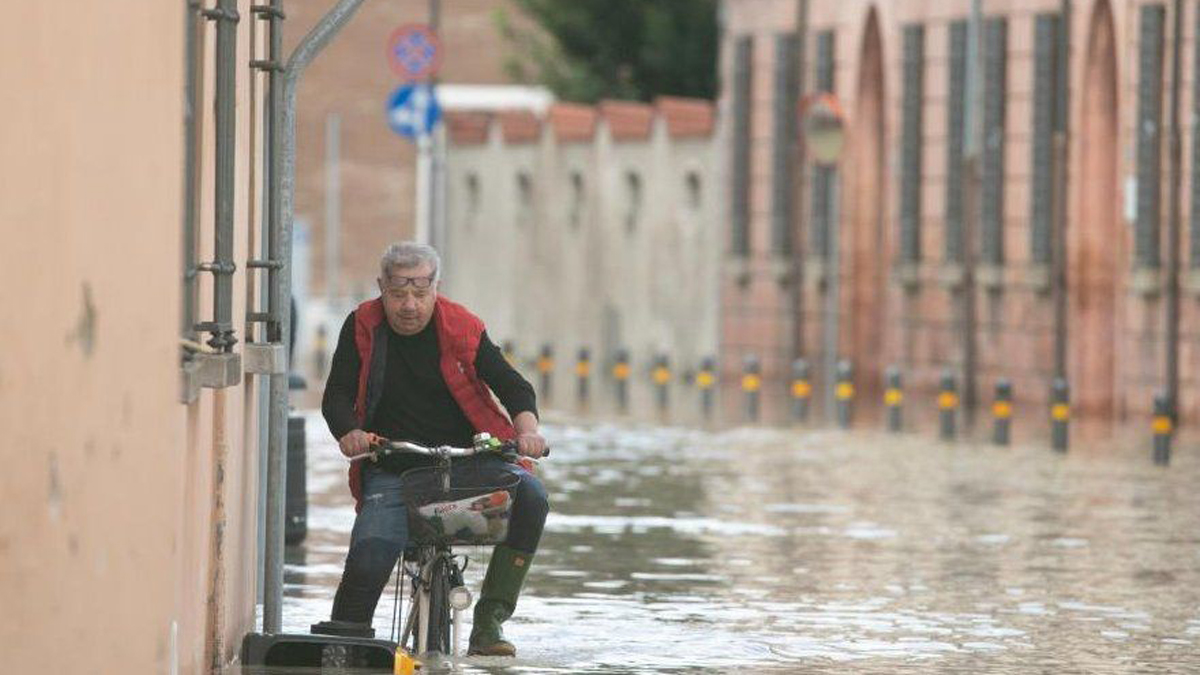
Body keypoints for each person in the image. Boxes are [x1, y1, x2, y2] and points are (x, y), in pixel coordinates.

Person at [320, 241, 549, 657]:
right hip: (393, 466)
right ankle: (345, 644)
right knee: (370, 552)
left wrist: (528, 429)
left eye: (421, 294)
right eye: (398, 294)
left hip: (468, 462)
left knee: (531, 496)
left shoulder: (462, 326)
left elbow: (514, 386)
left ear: (435, 289)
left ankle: (489, 620)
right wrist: (349, 432)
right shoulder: (361, 326)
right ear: (381, 288)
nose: (410, 305)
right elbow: (335, 395)